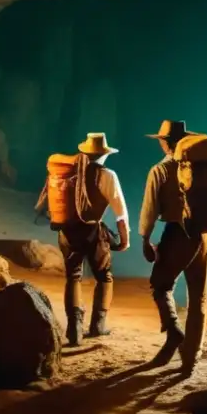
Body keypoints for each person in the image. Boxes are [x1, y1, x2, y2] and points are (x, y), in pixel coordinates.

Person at [139, 120, 207, 374]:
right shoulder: (203, 167)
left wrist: (145, 239)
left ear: (164, 142)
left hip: (178, 233)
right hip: (204, 235)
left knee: (160, 285)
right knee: (198, 297)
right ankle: (191, 359)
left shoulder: (161, 170)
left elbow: (150, 209)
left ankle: (172, 331)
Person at [57, 132, 130, 346]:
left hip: (67, 232)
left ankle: (74, 330)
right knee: (105, 277)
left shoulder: (68, 172)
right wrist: (124, 240)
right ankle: (98, 325)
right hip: (92, 232)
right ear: (103, 154)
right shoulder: (107, 175)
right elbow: (121, 214)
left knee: (73, 277)